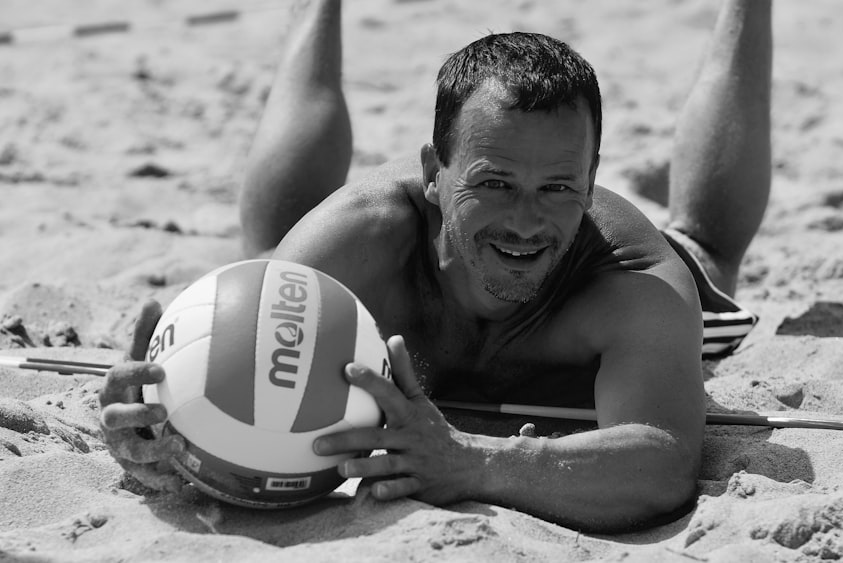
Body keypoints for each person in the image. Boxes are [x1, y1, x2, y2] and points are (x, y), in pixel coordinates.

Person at [98, 0, 771, 532]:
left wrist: (474, 461)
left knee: (708, 245)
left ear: (593, 180)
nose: (527, 221)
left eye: (560, 187)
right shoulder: (364, 237)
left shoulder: (632, 284)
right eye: (495, 182)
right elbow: (223, 380)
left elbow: (663, 465)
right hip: (374, 245)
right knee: (276, 246)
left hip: (647, 282)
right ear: (433, 173)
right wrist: (164, 426)